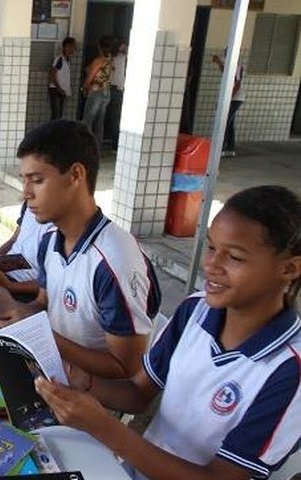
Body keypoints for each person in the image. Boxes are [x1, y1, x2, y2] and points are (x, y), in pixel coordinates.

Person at [36, 185, 301, 480]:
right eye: (212, 247)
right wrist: (82, 383)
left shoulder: (289, 368)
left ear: (289, 269)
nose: (211, 265)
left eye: (235, 257)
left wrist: (103, 427)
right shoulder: (195, 311)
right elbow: (138, 394)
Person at [0, 120, 161, 380]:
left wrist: (40, 335)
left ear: (76, 175)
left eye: (37, 180)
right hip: (51, 370)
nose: (26, 194)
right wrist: (14, 307)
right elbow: (43, 303)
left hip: (89, 399)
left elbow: (125, 368)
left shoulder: (114, 261)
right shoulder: (52, 240)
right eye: (25, 181)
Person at [81, 36, 114, 149]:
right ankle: (97, 149)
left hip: (95, 93)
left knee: (87, 121)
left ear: (100, 47)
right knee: (99, 123)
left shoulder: (98, 60)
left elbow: (90, 77)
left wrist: (84, 88)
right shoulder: (110, 60)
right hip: (106, 92)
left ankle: (86, 148)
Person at [212, 51, 245, 158]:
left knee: (224, 122)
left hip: (235, 99)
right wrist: (219, 63)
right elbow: (225, 73)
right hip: (232, 99)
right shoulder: (230, 65)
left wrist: (228, 98)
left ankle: (222, 148)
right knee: (230, 123)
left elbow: (237, 83)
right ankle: (230, 148)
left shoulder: (237, 66)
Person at [49, 37, 77, 121]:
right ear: (66, 47)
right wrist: (59, 88)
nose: (74, 49)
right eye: (72, 47)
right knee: (56, 115)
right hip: (56, 90)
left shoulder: (67, 60)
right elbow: (52, 74)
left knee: (59, 115)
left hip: (61, 90)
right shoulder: (59, 59)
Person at [106, 38, 127, 151]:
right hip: (116, 89)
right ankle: (115, 143)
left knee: (114, 116)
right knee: (116, 116)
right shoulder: (120, 58)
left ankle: (114, 142)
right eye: (123, 47)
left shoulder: (112, 58)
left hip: (114, 88)